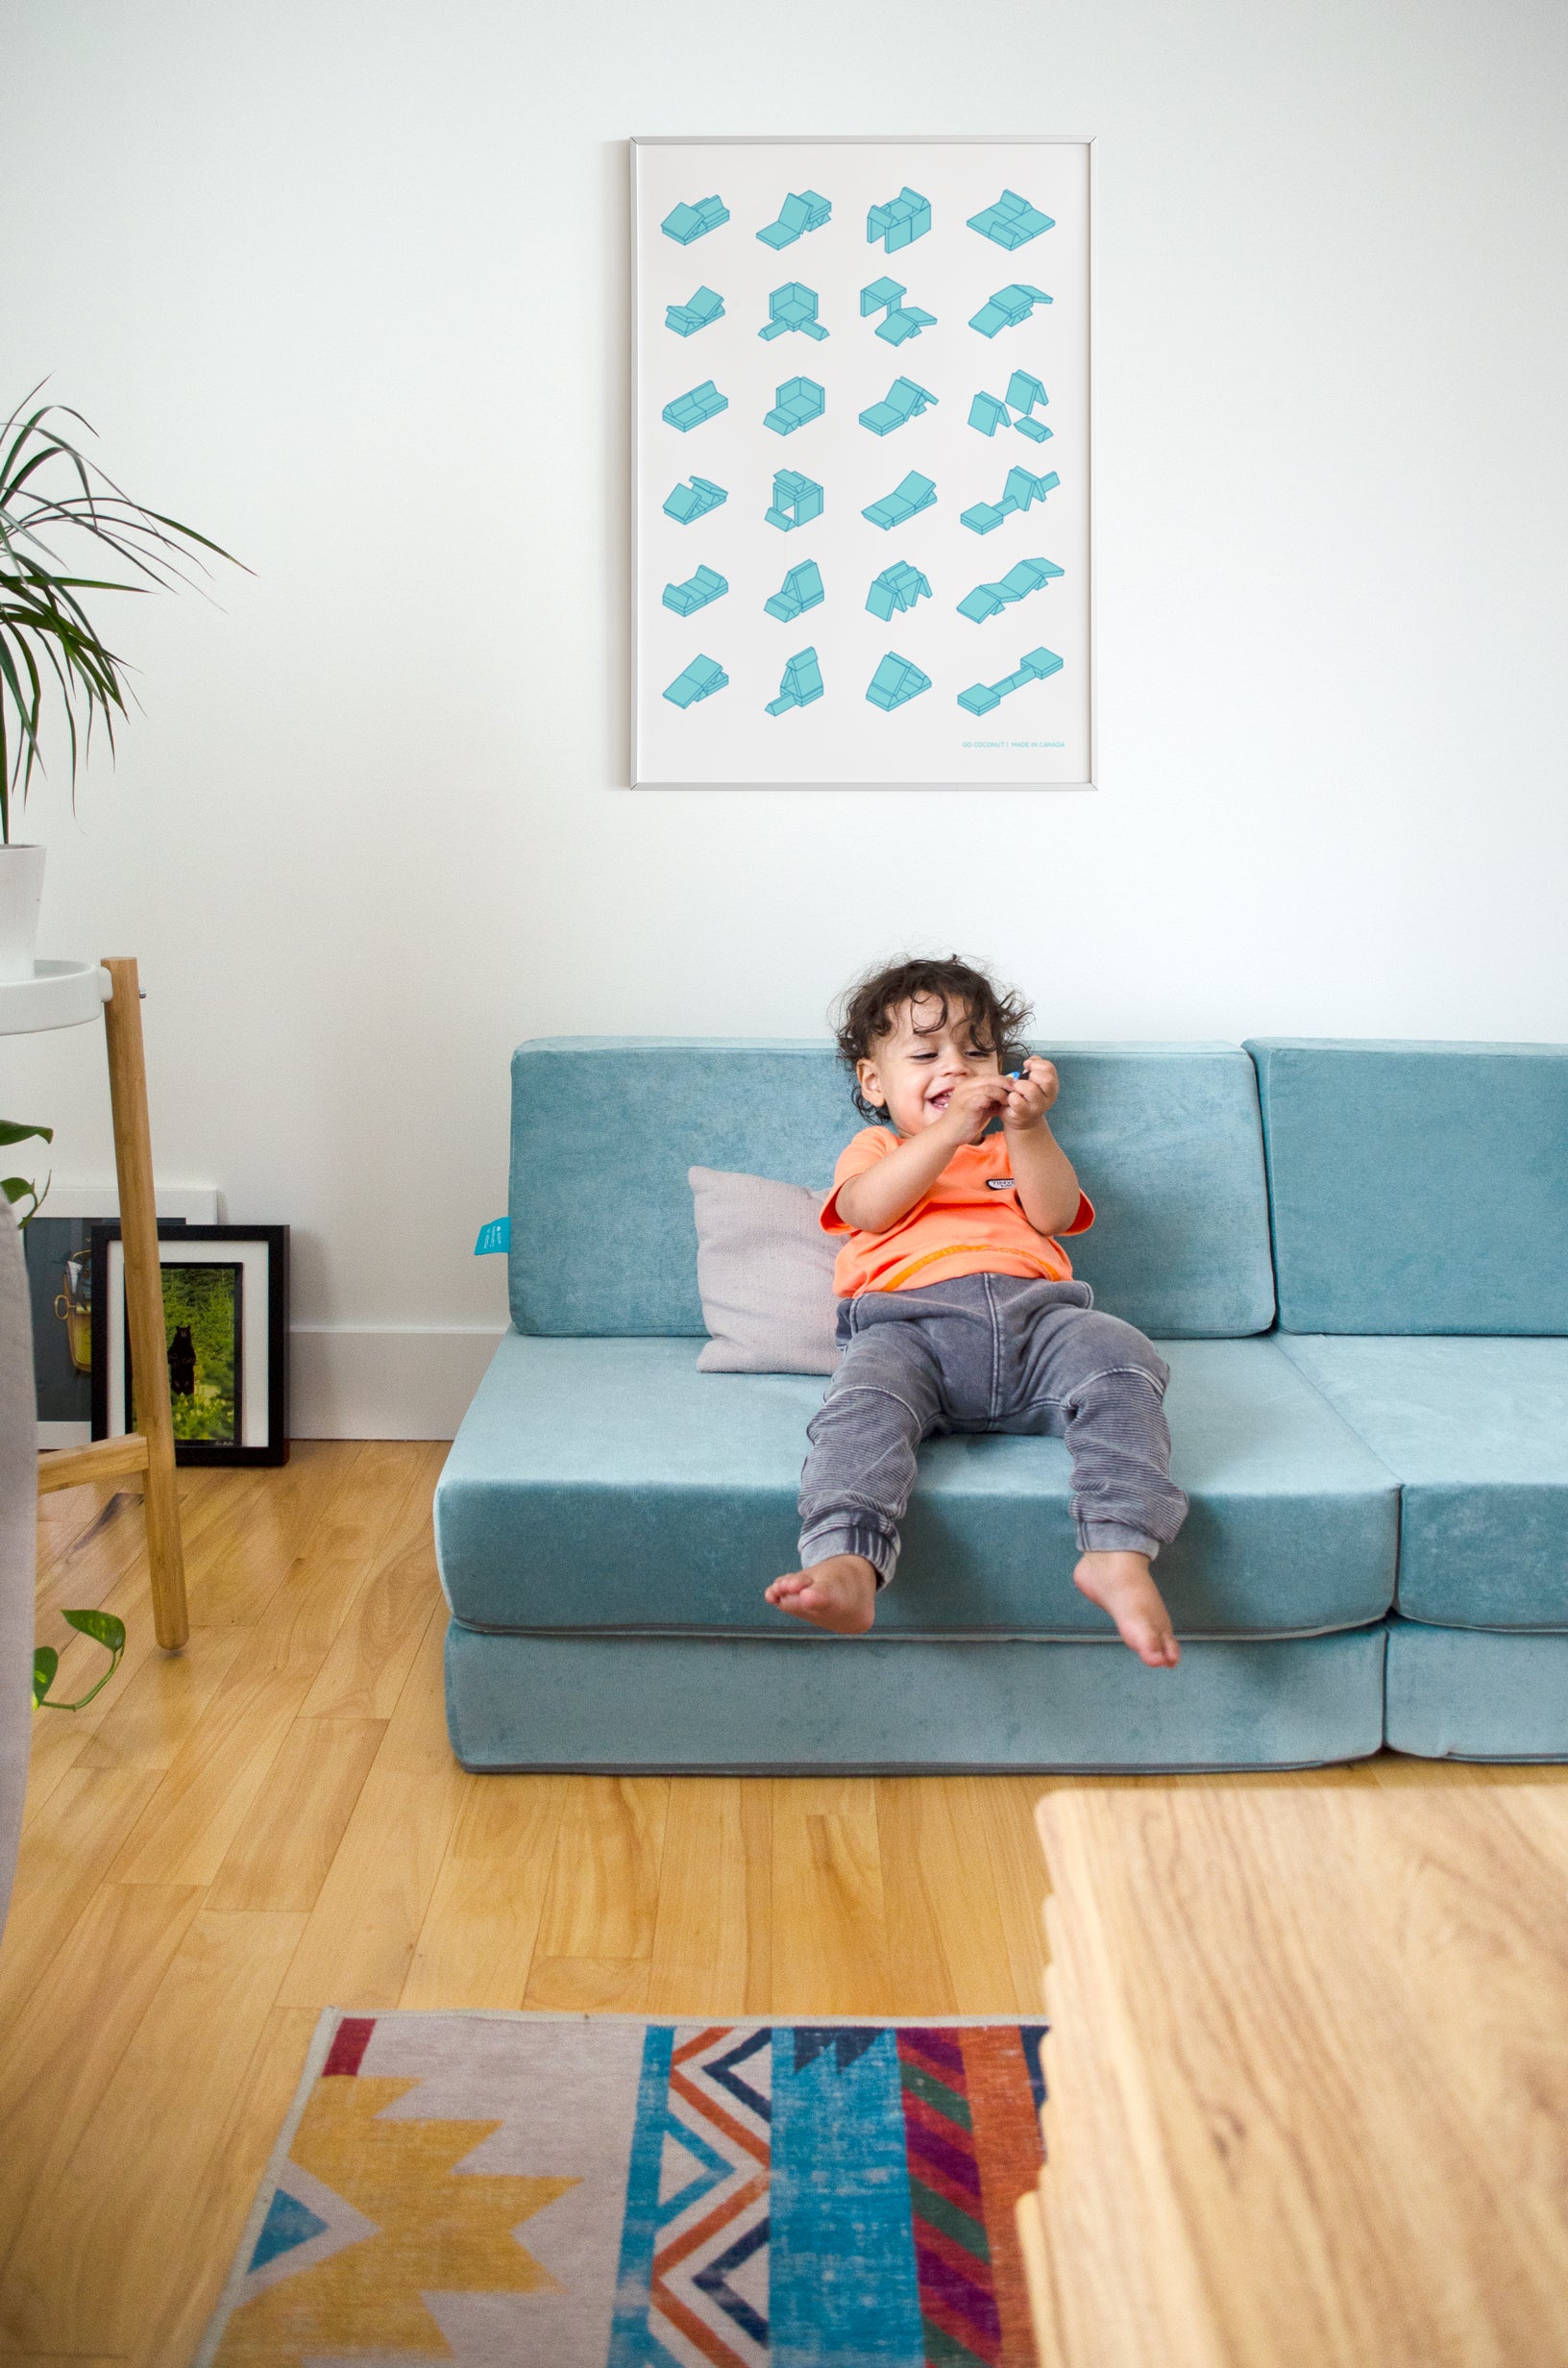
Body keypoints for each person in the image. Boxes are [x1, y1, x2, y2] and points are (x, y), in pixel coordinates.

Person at [765, 954, 1188, 1666]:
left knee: (1122, 1355)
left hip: (1039, 1324)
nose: (956, 1068)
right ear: (874, 1081)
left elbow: (1052, 1213)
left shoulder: (1008, 1149)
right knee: (863, 1403)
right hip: (908, 1329)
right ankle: (848, 1560)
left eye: (978, 1050)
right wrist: (947, 1132)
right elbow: (868, 1208)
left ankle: (1117, 1550)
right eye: (926, 1053)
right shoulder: (878, 1147)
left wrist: (1029, 1129)